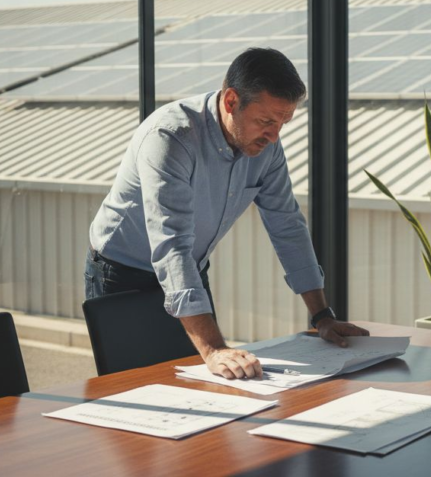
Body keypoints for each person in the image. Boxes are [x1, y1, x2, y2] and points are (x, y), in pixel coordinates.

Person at [84, 47, 368, 380]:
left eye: (283, 122)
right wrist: (214, 348)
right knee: (133, 387)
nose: (275, 136)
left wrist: (322, 316)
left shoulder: (266, 147)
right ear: (231, 101)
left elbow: (287, 225)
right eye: (265, 121)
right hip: (123, 271)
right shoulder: (170, 137)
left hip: (190, 267)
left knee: (207, 384)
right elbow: (171, 243)